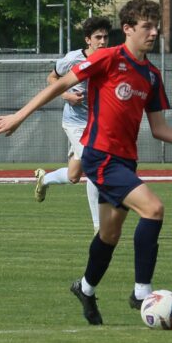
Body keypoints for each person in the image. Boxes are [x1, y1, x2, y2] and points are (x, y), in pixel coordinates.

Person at [0, 0, 172, 326]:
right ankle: (142, 292)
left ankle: (86, 289)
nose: (154, 32)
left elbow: (160, 128)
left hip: (125, 162)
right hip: (100, 156)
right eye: (147, 26)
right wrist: (19, 117)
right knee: (154, 209)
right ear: (129, 29)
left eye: (156, 26)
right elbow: (60, 84)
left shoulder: (151, 75)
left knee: (109, 234)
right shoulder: (108, 58)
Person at [34, 17, 112, 234]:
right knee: (95, 168)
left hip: (98, 124)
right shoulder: (73, 59)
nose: (103, 41)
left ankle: (45, 179)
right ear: (88, 40)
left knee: (74, 176)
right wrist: (67, 95)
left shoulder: (111, 58)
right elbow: (52, 78)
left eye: (105, 37)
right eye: (98, 37)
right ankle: (99, 226)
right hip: (75, 123)